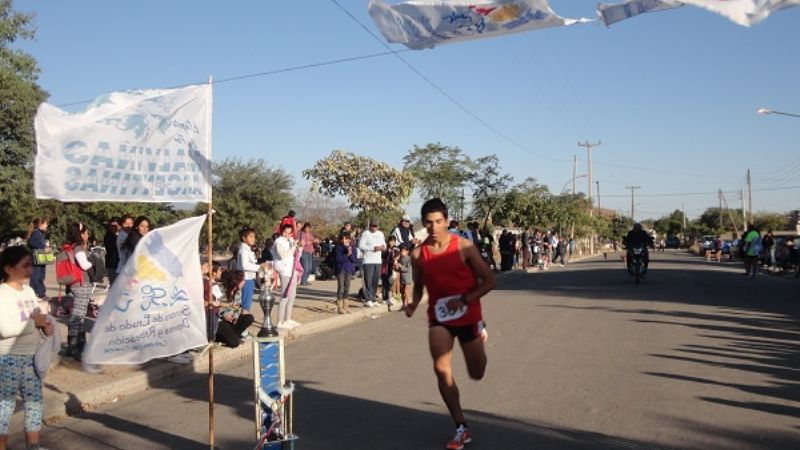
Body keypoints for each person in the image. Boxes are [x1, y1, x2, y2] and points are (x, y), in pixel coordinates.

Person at [406, 198, 496, 450]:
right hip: (439, 317)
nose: (434, 227)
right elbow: (419, 284)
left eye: (438, 221)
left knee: (477, 373)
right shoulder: (418, 254)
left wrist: (465, 299)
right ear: (423, 224)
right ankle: (460, 426)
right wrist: (414, 303)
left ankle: (480, 329)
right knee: (441, 368)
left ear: (446, 221)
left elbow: (489, 281)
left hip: (468, 314)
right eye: (428, 222)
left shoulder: (464, 247)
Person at [1, 246, 54, 450]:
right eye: (25, 266)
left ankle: (33, 446)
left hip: (31, 358)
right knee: (4, 407)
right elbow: (5, 328)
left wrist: (46, 328)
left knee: (34, 404)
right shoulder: (2, 294)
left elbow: (37, 318)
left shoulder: (30, 291)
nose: (30, 270)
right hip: (8, 358)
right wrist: (35, 323)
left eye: (31, 265)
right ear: (8, 269)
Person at [63, 223, 94, 361]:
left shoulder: (71, 246)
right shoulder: (77, 248)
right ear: (81, 234)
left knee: (79, 316)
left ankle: (79, 345)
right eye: (86, 233)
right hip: (81, 285)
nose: (87, 235)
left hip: (75, 284)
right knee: (77, 316)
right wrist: (93, 260)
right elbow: (85, 265)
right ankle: (73, 347)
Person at [215, 269, 254, 347]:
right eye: (242, 280)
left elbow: (237, 307)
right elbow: (215, 306)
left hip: (231, 319)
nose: (244, 282)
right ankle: (222, 338)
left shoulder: (238, 291)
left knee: (249, 318)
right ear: (236, 281)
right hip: (220, 321)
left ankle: (233, 335)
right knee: (234, 343)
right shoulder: (220, 289)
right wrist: (224, 315)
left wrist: (235, 317)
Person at [272, 224, 300, 329]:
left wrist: (298, 247)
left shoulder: (290, 240)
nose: (287, 234)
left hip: (292, 270)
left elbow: (294, 253)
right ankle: (280, 321)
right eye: (285, 232)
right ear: (281, 231)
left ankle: (288, 318)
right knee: (285, 295)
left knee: (292, 295)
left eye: (289, 232)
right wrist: (293, 247)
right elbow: (283, 255)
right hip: (284, 271)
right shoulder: (278, 242)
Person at [358, 218, 385, 308]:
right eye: (372, 226)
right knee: (368, 280)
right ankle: (368, 299)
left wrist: (383, 247)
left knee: (375, 281)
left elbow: (384, 244)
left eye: (375, 226)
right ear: (370, 226)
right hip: (368, 261)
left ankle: (373, 299)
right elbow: (360, 245)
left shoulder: (380, 234)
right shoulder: (365, 233)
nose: (374, 228)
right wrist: (372, 248)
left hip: (378, 261)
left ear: (378, 226)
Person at [236, 227, 259, 314]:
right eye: (251, 237)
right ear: (244, 238)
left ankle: (244, 319)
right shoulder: (244, 250)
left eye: (254, 237)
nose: (253, 239)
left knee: (246, 303)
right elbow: (245, 265)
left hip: (249, 278)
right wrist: (259, 267)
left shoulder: (247, 249)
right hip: (246, 279)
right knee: (246, 305)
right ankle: (244, 320)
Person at [334, 232, 357, 314]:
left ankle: (345, 306)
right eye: (342, 238)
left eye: (346, 239)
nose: (344, 240)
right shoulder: (338, 247)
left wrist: (350, 254)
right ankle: (339, 307)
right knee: (341, 287)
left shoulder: (352, 247)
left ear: (349, 239)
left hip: (348, 269)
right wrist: (346, 255)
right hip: (340, 269)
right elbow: (338, 258)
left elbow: (354, 259)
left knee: (347, 287)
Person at [26, 218, 49, 300]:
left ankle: (41, 293)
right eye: (45, 224)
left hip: (41, 257)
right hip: (36, 257)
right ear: (40, 224)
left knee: (41, 276)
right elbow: (31, 242)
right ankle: (34, 293)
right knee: (35, 276)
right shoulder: (36, 232)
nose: (47, 225)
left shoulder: (41, 233)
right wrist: (42, 247)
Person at [381, 235, 398, 311]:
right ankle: (385, 298)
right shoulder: (385, 250)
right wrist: (392, 260)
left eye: (394, 242)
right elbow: (383, 259)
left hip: (391, 269)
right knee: (385, 284)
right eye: (391, 241)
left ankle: (388, 298)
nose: (392, 243)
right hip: (385, 269)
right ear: (388, 242)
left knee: (390, 284)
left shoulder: (395, 250)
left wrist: (396, 259)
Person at [103, 218, 120, 285]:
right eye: (111, 226)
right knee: (114, 285)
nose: (113, 227)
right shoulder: (108, 236)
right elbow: (113, 247)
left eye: (115, 226)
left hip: (120, 264)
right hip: (111, 264)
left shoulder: (122, 235)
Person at [396, 243, 413, 311]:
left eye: (403, 251)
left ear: (407, 251)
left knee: (406, 291)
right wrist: (397, 266)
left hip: (408, 277)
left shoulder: (409, 259)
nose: (402, 252)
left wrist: (401, 267)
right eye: (401, 251)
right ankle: (403, 304)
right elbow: (398, 268)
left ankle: (408, 304)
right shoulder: (400, 258)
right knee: (402, 292)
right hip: (402, 277)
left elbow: (408, 269)